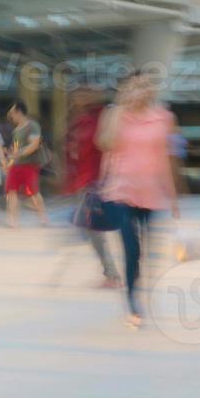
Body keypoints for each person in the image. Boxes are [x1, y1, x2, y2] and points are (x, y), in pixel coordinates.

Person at [98, 74, 181, 328]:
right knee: (131, 247)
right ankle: (132, 302)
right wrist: (118, 111)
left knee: (144, 250)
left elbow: (168, 157)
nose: (142, 90)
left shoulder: (165, 117)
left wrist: (174, 195)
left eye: (147, 85)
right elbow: (104, 144)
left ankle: (138, 287)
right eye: (136, 85)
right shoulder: (114, 114)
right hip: (120, 190)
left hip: (152, 192)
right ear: (125, 89)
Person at [64, 86, 119, 287]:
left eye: (86, 94)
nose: (80, 98)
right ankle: (111, 273)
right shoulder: (78, 120)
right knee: (92, 229)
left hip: (98, 180)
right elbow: (72, 153)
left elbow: (108, 146)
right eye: (77, 94)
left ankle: (112, 274)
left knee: (94, 229)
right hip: (82, 181)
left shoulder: (104, 116)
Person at [4, 102, 49, 227]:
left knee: (34, 192)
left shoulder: (32, 126)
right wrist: (9, 161)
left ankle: (43, 217)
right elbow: (15, 150)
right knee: (11, 191)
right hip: (16, 166)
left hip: (30, 165)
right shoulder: (16, 131)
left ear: (19, 112)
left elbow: (34, 145)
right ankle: (13, 222)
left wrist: (19, 153)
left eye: (12, 112)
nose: (10, 115)